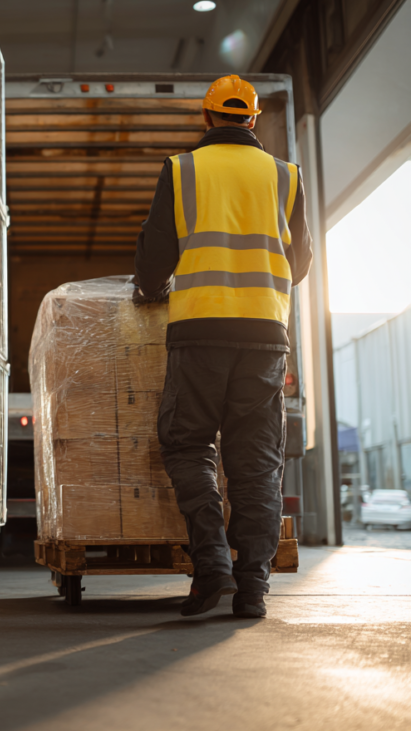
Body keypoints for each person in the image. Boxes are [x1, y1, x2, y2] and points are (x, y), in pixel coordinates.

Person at [133, 75, 313, 618]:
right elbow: (300, 263)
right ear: (253, 120)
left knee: (188, 446)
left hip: (198, 332)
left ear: (206, 118)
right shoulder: (286, 177)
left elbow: (156, 253)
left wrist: (148, 289)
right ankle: (253, 587)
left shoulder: (183, 169)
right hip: (264, 337)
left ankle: (211, 562)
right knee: (257, 463)